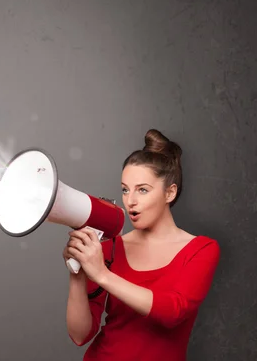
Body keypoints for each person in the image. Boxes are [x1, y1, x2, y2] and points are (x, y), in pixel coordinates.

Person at [63, 128, 220, 361]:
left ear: (170, 193)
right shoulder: (108, 249)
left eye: (143, 190)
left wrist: (102, 275)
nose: (130, 202)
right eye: (125, 190)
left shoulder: (201, 250)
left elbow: (173, 312)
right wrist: (77, 274)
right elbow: (80, 335)